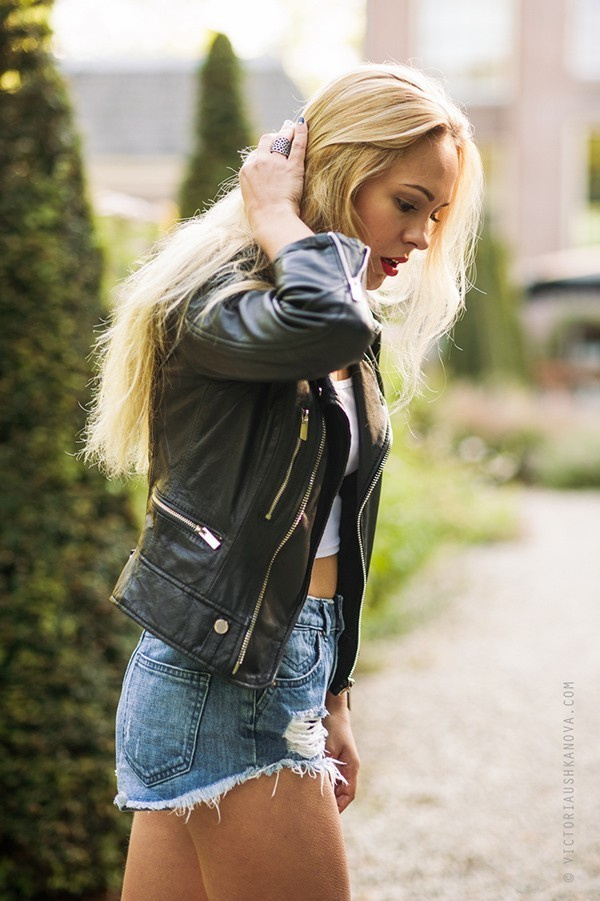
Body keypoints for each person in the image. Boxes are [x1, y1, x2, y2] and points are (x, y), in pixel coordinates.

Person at [84, 63, 482, 901]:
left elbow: (338, 521)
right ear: (338, 175)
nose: (420, 237)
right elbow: (330, 317)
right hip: (227, 680)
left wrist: (333, 691)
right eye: (406, 204)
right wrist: (274, 211)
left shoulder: (323, 320)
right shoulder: (225, 306)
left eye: (435, 215)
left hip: (268, 663)